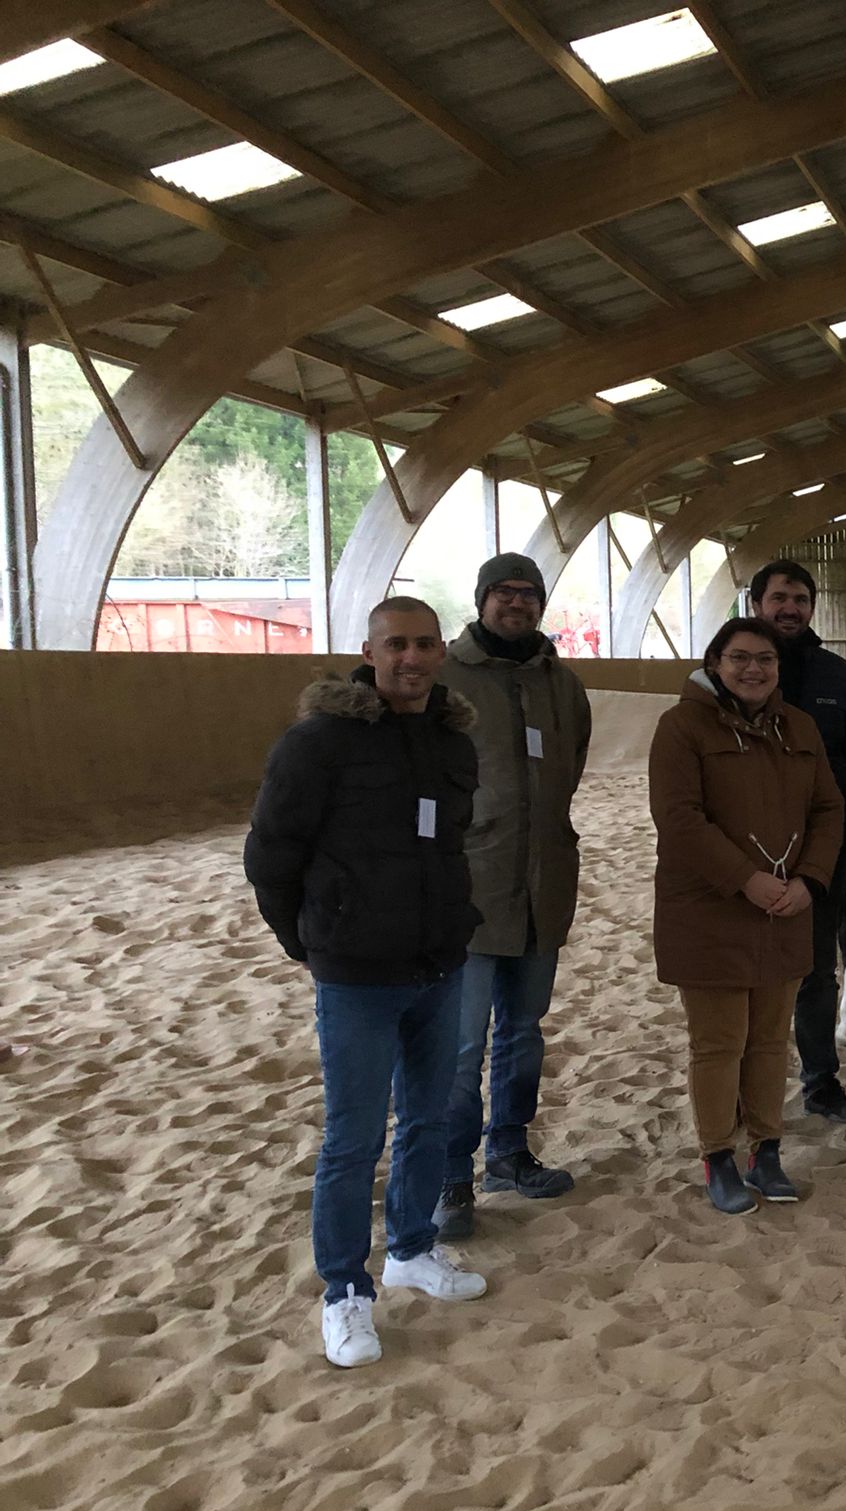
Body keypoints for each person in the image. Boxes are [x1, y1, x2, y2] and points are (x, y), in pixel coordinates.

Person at [244, 597, 489, 1370]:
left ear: (441, 651)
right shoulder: (317, 743)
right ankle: (344, 1292)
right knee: (352, 1139)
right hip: (355, 975)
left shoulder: (454, 743)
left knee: (429, 1118)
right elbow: (271, 855)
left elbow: (449, 843)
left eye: (423, 644)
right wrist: (311, 942)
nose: (410, 659)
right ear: (369, 651)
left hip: (439, 966)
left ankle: (413, 1246)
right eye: (395, 645)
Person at [649, 617, 845, 1214]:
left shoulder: (800, 728)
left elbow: (829, 808)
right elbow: (679, 820)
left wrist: (810, 880)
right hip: (710, 911)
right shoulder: (681, 727)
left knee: (768, 1041)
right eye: (739, 658)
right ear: (714, 662)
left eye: (765, 659)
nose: (753, 669)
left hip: (786, 908)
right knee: (719, 1043)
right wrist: (746, 880)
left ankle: (766, 1149)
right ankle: (717, 1156)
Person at [431, 554, 591, 1244]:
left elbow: (571, 764)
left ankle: (509, 1153)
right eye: (505, 594)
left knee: (524, 1034)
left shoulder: (562, 683)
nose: (517, 605)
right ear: (482, 600)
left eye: (529, 594)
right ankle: (449, 1176)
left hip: (543, 886)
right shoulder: (446, 678)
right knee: (463, 1046)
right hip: (471, 889)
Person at [750, 558, 846, 1125]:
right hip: (748, 852)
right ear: (757, 605)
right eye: (779, 598)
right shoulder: (727, 670)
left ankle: (821, 1082)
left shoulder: (833, 672)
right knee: (749, 972)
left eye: (800, 598)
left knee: (818, 969)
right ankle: (748, 1087)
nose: (789, 607)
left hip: (821, 850)